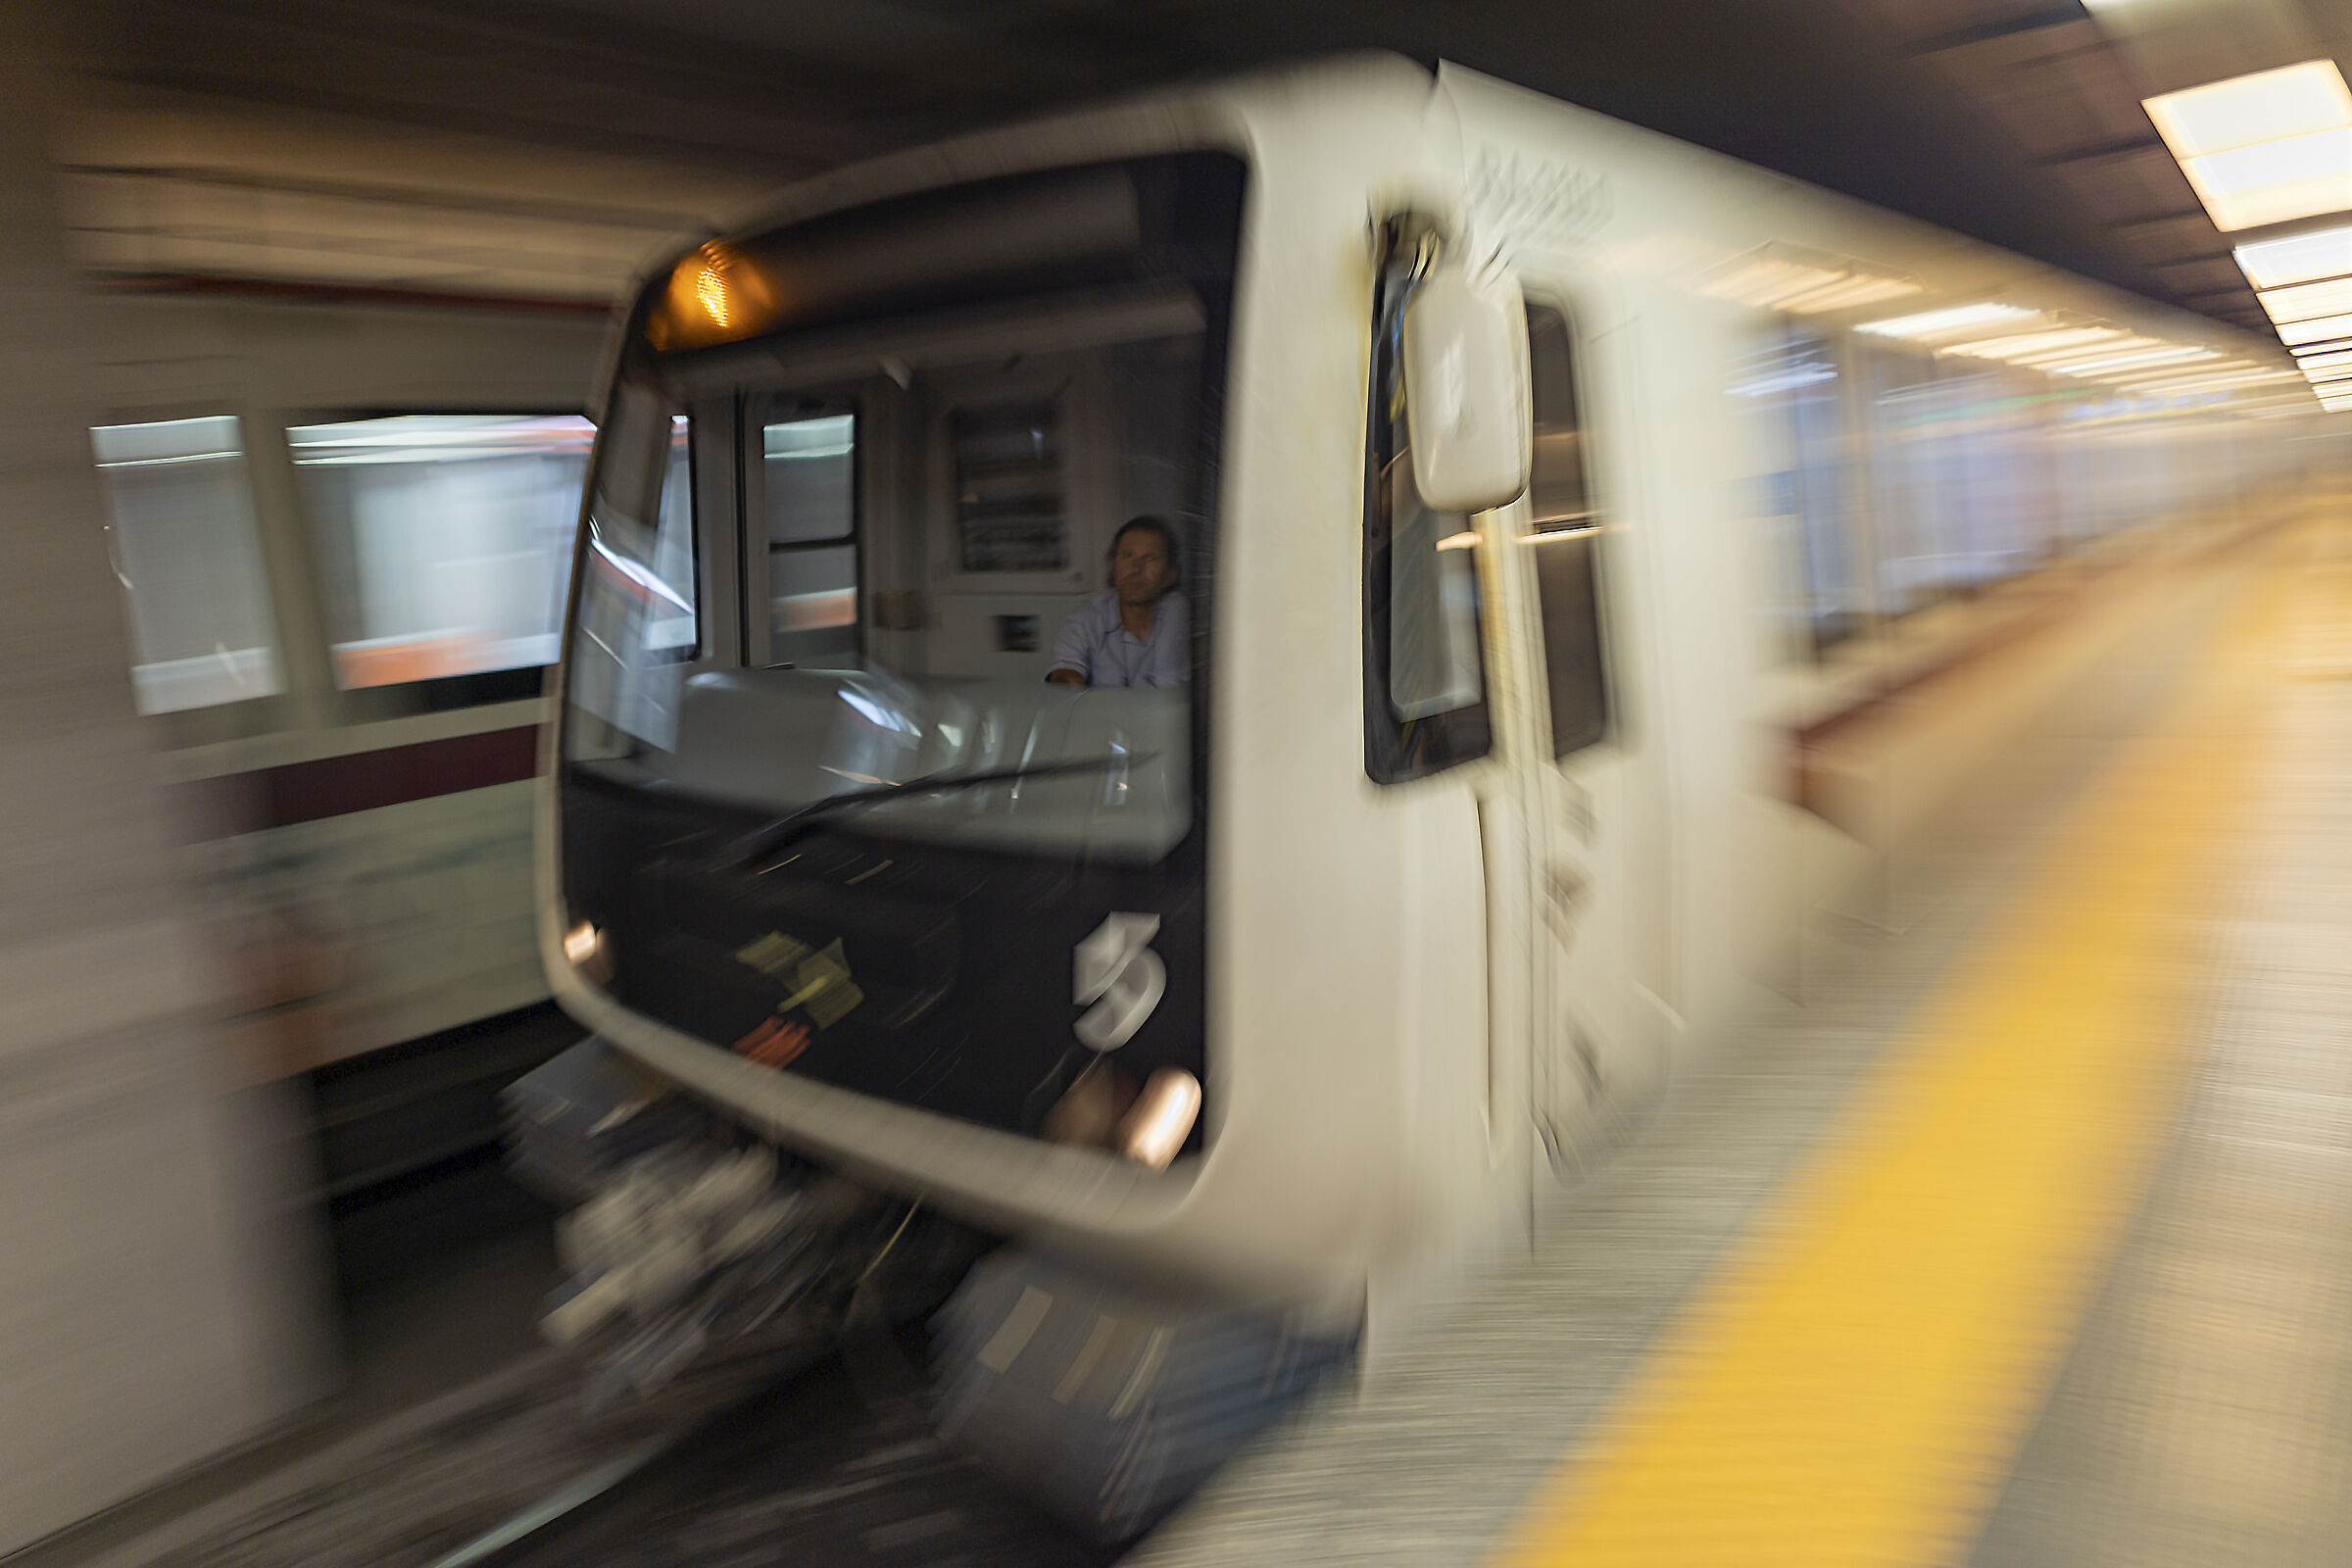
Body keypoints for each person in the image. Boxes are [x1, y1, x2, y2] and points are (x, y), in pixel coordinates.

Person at [1046, 514, 1189, 688]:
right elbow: (1065, 671)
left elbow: (1172, 686)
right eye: (1128, 556)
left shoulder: (1180, 613)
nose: (1136, 569)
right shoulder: (1089, 616)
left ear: (1170, 573)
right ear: (1113, 565)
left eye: (1150, 558)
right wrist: (1068, 683)